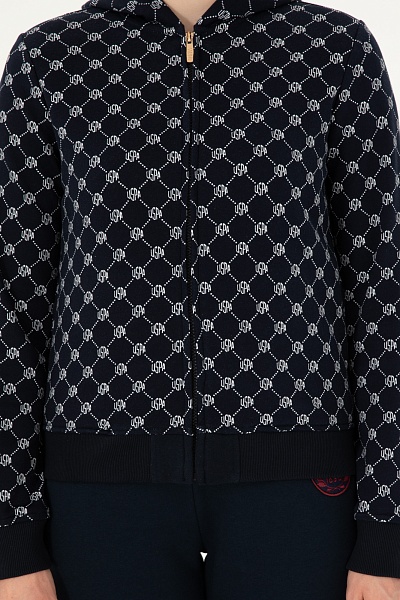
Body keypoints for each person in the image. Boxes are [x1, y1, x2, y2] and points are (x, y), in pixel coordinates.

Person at [0, 0, 399, 598]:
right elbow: (14, 303)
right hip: (97, 488)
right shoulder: (50, 59)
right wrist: (12, 537)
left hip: (299, 484)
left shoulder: (334, 50)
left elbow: (383, 293)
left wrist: (387, 531)